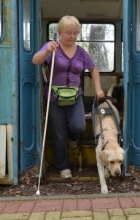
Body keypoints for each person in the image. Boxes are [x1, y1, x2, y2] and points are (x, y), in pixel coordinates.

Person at [32, 15, 105, 179]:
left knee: (79, 126)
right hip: (54, 97)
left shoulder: (81, 52)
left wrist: (98, 88)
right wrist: (46, 51)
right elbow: (35, 60)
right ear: (60, 32)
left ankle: (73, 139)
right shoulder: (52, 47)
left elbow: (93, 69)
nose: (72, 36)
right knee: (58, 133)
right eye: (68, 33)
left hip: (75, 96)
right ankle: (63, 167)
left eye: (75, 33)